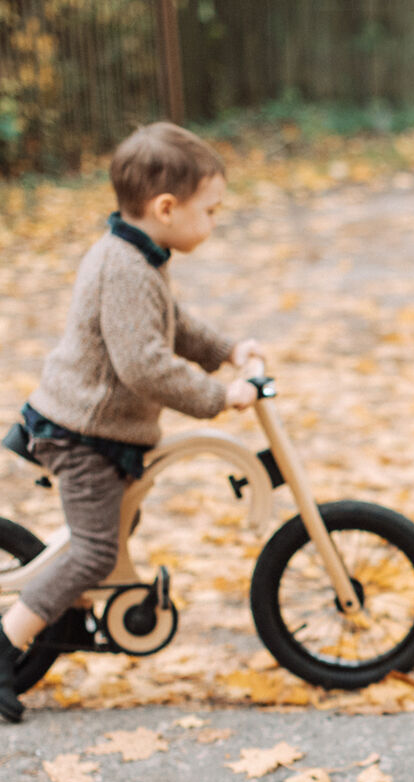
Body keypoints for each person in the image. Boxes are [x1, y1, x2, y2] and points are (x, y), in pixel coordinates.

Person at [0, 121, 261, 723]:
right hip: (81, 434)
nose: (215, 222)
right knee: (94, 550)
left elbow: (175, 324)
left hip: (102, 432)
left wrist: (227, 350)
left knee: (110, 533)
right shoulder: (122, 267)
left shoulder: (142, 257)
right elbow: (144, 365)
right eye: (211, 210)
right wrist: (221, 395)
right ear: (166, 207)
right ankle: (7, 643)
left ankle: (67, 601)